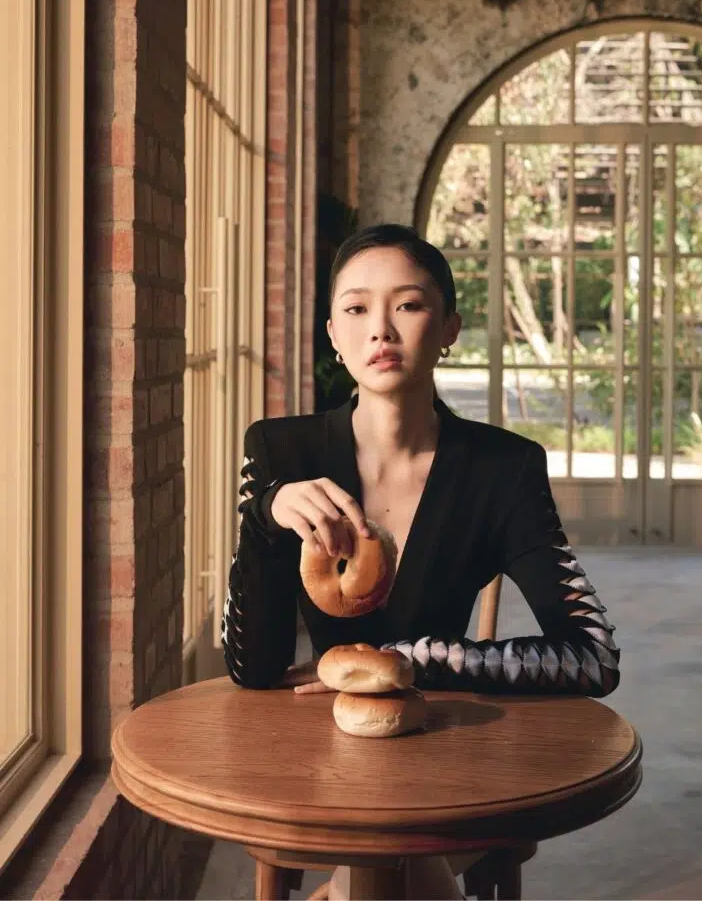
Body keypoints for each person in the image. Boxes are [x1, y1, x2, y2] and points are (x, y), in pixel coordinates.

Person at [221, 223, 620, 900]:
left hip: (444, 751)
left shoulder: (503, 468)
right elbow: (252, 669)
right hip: (323, 758)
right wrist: (265, 516)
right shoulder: (281, 453)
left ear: (448, 327)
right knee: (399, 865)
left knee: (393, 862)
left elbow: (592, 656)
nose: (380, 329)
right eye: (356, 309)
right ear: (332, 333)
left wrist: (419, 659)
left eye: (406, 305)